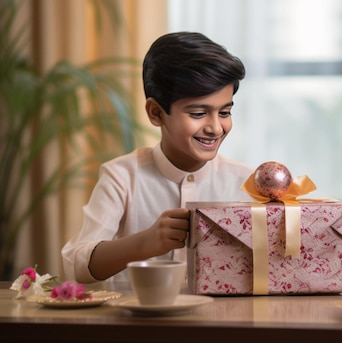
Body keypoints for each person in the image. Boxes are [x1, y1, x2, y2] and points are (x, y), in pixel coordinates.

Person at [62, 32, 253, 283]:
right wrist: (145, 243)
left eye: (225, 112)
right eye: (198, 113)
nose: (216, 128)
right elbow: (77, 266)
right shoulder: (121, 176)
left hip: (222, 321)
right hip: (139, 321)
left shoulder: (246, 182)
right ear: (156, 113)